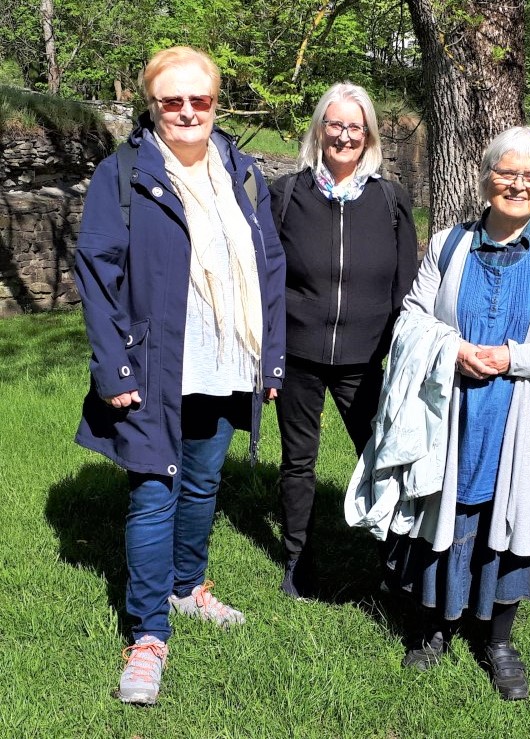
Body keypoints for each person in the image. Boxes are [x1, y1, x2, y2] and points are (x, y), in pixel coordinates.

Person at [73, 46, 286, 705]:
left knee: (201, 483)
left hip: (226, 359)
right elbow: (96, 273)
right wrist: (114, 367)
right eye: (173, 100)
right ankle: (147, 634)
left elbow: (269, 265)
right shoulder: (124, 173)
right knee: (152, 492)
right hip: (154, 365)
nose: (188, 111)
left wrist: (271, 355)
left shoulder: (242, 172)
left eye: (200, 99)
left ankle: (186, 586)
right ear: (153, 105)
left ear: (216, 102)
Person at [369, 126, 530, 700]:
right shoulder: (449, 244)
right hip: (453, 409)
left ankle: (498, 640)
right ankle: (434, 628)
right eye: (507, 172)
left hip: (525, 416)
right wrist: (454, 350)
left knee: (512, 517)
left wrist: (512, 358)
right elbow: (412, 316)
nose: (518, 185)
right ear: (486, 177)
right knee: (444, 512)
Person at [269, 83, 417, 599]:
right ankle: (298, 558)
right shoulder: (286, 195)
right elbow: (268, 279)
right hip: (298, 354)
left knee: (381, 457)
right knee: (298, 460)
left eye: (356, 126)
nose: (345, 135)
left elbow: (406, 285)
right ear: (319, 130)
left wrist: (398, 351)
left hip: (367, 358)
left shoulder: (391, 201)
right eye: (335, 124)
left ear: (369, 135)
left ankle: (395, 559)